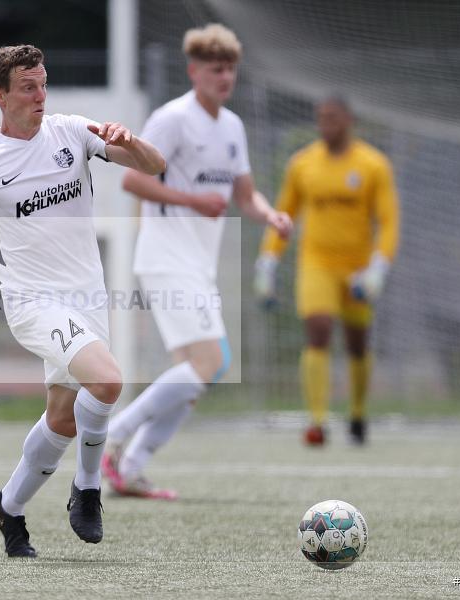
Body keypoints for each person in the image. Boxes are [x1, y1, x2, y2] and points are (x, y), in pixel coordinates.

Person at [0, 44, 165, 557]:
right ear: (0, 95)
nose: (40, 95)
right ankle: (87, 489)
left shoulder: (72, 132)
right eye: (28, 87)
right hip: (32, 302)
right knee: (107, 380)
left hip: (88, 298)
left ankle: (8, 509)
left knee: (62, 419)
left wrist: (132, 141)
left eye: (43, 84)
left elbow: (155, 165)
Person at [100, 24, 292, 499]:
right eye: (215, 68)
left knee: (195, 378)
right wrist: (190, 199)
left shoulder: (232, 127)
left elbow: (244, 195)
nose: (224, 76)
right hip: (166, 255)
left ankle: (130, 469)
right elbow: (131, 181)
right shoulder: (172, 118)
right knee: (213, 361)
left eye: (230, 68)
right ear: (194, 71)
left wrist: (271, 215)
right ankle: (116, 436)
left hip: (197, 264)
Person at [254, 95, 400, 446]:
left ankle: (358, 413)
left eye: (332, 117)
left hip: (358, 270)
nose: (325, 123)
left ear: (348, 120)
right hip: (316, 264)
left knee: (356, 343)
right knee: (318, 329)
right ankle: (317, 421)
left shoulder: (372, 164)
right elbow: (283, 216)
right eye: (320, 117)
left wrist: (378, 267)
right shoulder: (303, 164)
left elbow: (389, 220)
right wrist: (268, 262)